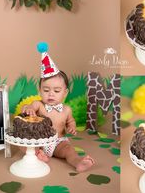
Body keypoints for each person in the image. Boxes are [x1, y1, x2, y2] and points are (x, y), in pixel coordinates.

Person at [22, 43, 94, 172]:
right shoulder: (39, 105)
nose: (51, 94)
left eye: (56, 91)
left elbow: (70, 121)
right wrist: (29, 108)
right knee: (25, 145)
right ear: (39, 91)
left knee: (69, 150)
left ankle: (78, 162)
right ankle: (39, 155)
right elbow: (30, 106)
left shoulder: (66, 110)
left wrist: (72, 127)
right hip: (40, 141)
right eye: (46, 90)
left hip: (58, 142)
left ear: (64, 93)